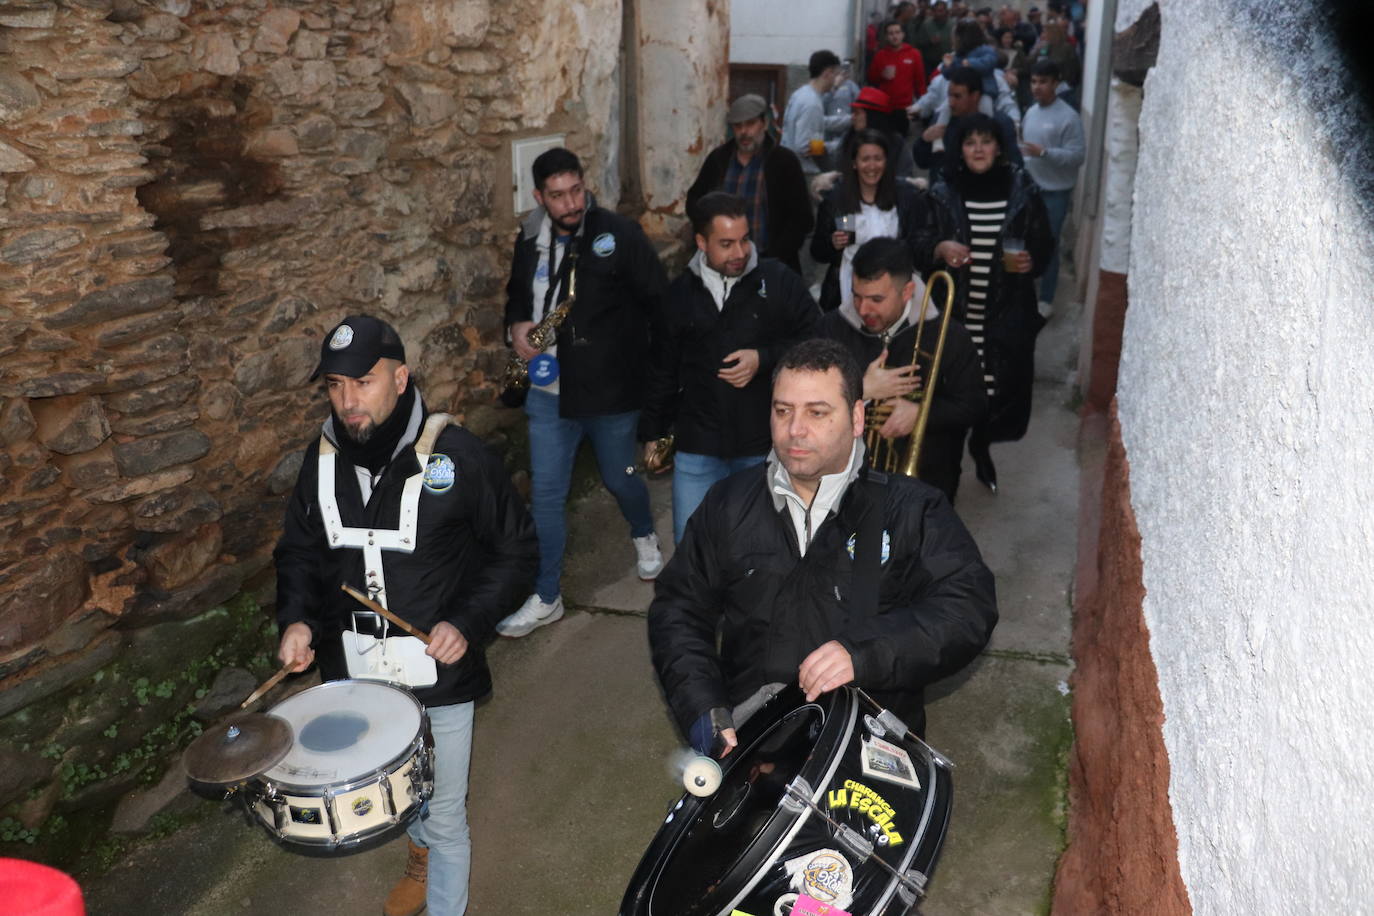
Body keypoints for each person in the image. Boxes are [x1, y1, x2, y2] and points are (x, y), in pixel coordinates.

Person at [274, 315, 539, 916]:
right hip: (357, 677)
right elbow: (300, 552)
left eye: (363, 382)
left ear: (400, 377)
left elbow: (516, 549)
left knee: (444, 813)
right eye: (336, 385)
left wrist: (467, 622)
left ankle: (439, 879)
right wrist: (297, 619)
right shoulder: (319, 462)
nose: (348, 400)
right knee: (401, 794)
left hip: (437, 673)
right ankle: (418, 854)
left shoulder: (460, 456)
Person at [647, 337, 997, 753]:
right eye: (783, 411)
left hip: (866, 749)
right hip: (752, 745)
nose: (796, 429)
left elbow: (968, 606)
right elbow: (678, 608)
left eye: (817, 413)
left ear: (856, 417)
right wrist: (706, 714)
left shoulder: (913, 509)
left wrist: (866, 654)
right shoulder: (728, 503)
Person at [499, 147, 666, 637]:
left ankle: (643, 531)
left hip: (609, 391)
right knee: (547, 497)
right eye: (557, 195)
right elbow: (515, 293)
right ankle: (547, 595)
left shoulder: (619, 233)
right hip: (547, 393)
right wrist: (515, 327)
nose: (571, 203)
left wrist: (651, 377)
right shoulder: (529, 236)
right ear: (538, 197)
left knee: (621, 478)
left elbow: (658, 304)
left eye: (576, 190)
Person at [641, 192, 820, 544]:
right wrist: (652, 432)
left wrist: (763, 358)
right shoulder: (679, 295)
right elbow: (661, 367)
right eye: (726, 244)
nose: (739, 253)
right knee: (691, 551)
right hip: (697, 447)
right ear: (701, 243)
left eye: (744, 240)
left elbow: (817, 340)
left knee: (758, 552)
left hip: (762, 447)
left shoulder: (778, 280)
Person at [926, 114, 1052, 493]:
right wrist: (939, 247)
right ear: (959, 149)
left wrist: (1032, 259)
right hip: (957, 311)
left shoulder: (1021, 187)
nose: (978, 149)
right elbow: (917, 241)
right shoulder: (943, 190)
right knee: (954, 390)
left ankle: (981, 448)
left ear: (999, 146)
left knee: (992, 392)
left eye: (985, 141)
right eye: (969, 142)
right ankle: (949, 467)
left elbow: (1044, 243)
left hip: (1005, 309)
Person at [817, 237, 987, 502]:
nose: (863, 309)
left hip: (928, 485)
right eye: (857, 296)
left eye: (876, 299)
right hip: (845, 484)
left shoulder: (951, 336)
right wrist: (861, 389)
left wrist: (922, 414)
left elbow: (974, 404)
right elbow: (802, 397)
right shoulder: (830, 329)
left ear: (907, 291)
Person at [688, 94, 815, 273]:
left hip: (769, 264)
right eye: (738, 126)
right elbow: (694, 200)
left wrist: (776, 257)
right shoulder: (719, 159)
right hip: (723, 266)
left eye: (750, 124)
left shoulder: (783, 161)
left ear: (764, 123)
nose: (744, 132)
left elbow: (803, 219)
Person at [811, 129, 932, 312]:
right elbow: (817, 252)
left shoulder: (906, 198)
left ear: (887, 161)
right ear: (854, 163)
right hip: (847, 293)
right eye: (865, 159)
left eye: (878, 159)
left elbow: (919, 246)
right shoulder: (837, 200)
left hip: (894, 290)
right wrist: (832, 243)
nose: (872, 166)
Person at [1020, 59, 1085, 315]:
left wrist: (1045, 153)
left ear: (1056, 84)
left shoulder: (1068, 117)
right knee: (1026, 241)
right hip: (1030, 190)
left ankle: (1046, 299)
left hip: (1055, 193)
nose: (1037, 87)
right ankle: (1027, 291)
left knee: (1050, 244)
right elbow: (1026, 149)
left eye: (1043, 82)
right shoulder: (1030, 112)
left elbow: (1077, 156)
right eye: (1034, 81)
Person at [917, 66, 1022, 181]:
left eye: (957, 96)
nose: (951, 102)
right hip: (946, 193)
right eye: (949, 95)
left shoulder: (1000, 123)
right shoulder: (940, 120)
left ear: (975, 96)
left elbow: (1015, 166)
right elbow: (923, 162)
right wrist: (924, 141)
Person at [780, 49, 850, 176]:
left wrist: (849, 120)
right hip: (803, 172)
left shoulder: (801, 94)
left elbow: (818, 121)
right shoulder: (812, 103)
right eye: (835, 74)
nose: (836, 79)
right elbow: (804, 146)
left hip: (790, 167)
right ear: (828, 73)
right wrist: (835, 146)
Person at [867, 19, 927, 136]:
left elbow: (920, 82)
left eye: (897, 32)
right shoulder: (880, 55)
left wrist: (921, 104)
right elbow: (871, 78)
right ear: (886, 36)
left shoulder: (914, 54)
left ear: (903, 34)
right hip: (883, 106)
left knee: (900, 141)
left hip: (904, 107)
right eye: (891, 33)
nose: (895, 36)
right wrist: (882, 75)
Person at [913, 0, 955, 78]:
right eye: (935, 11)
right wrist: (930, 42)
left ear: (946, 11)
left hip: (947, 62)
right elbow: (918, 43)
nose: (938, 13)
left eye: (940, 11)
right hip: (929, 62)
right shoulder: (926, 24)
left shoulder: (953, 25)